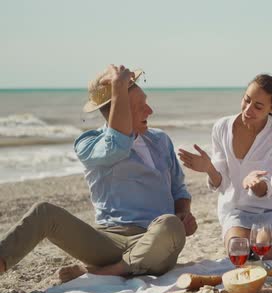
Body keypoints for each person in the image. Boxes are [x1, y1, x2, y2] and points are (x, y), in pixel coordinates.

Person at [0, 65, 197, 282]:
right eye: (140, 106)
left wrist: (183, 214)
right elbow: (118, 144)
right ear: (118, 109)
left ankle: (100, 272)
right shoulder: (88, 143)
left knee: (170, 224)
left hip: (155, 241)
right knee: (43, 212)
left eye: (146, 103)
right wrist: (119, 87)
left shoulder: (161, 140)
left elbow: (179, 189)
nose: (149, 111)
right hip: (107, 242)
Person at [178, 74, 272, 256]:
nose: (248, 109)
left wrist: (256, 183)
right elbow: (223, 184)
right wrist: (208, 168)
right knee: (239, 253)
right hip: (238, 211)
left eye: (258, 106)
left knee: (263, 251)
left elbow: (271, 188)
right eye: (247, 100)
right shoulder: (221, 127)